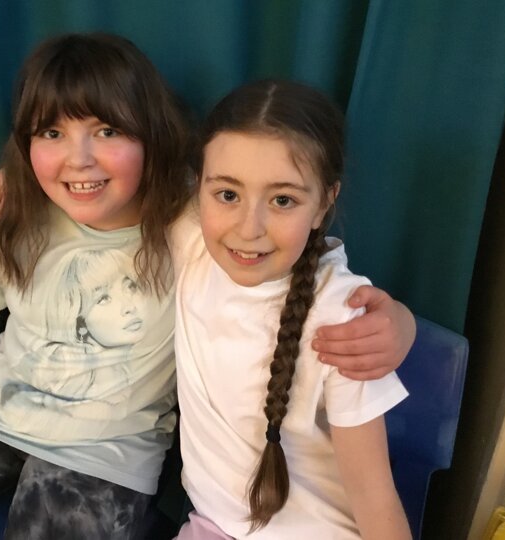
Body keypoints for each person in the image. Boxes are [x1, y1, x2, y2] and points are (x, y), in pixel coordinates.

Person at [0, 33, 412, 539]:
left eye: (105, 130)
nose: (79, 159)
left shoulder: (193, 223)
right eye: (51, 133)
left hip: (104, 455)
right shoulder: (22, 217)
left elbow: (288, 244)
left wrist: (398, 326)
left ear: (151, 136)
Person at [170, 80, 411, 538]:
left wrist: (402, 323)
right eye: (227, 195)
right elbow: (102, 175)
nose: (249, 228)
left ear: (324, 204)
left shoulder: (343, 319)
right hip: (214, 526)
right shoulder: (190, 241)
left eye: (283, 200)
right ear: (198, 187)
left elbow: (375, 499)